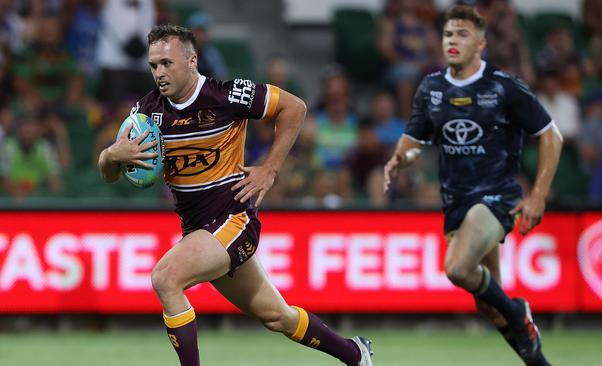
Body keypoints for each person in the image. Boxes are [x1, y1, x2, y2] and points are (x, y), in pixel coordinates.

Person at [97, 25, 373, 366]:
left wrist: (270, 168)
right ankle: (355, 354)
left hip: (233, 220)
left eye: (167, 63)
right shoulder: (146, 113)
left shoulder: (228, 95)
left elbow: (295, 108)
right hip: (200, 231)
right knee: (278, 317)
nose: (160, 73)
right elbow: (110, 173)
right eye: (154, 65)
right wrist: (111, 156)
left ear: (192, 60)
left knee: (166, 278)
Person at [383, 6, 562, 366]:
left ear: (480, 42)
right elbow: (415, 139)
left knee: (457, 268)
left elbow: (551, 135)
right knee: (490, 307)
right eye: (449, 34)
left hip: (497, 196)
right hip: (455, 202)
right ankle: (532, 349)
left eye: (462, 34)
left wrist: (538, 194)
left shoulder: (504, 86)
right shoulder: (431, 87)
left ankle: (517, 313)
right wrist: (402, 157)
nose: (453, 41)